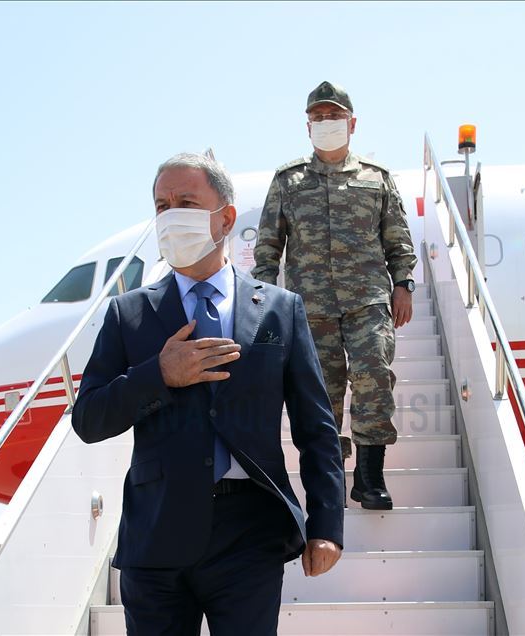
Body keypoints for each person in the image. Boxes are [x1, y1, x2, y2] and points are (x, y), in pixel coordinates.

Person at [71, 153, 344, 636]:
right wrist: (158, 374)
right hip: (157, 533)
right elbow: (89, 419)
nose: (170, 215)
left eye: (186, 203)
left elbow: (316, 427)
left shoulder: (280, 310)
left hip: (250, 531)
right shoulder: (127, 314)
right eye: (162, 206)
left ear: (227, 217)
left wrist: (326, 524)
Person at [251, 80, 418, 510]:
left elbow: (398, 239)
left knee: (373, 377)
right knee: (320, 393)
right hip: (310, 306)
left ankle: (369, 478)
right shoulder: (288, 181)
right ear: (308, 126)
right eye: (318, 117)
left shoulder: (377, 179)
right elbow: (268, 246)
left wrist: (404, 285)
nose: (326, 122)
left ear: (352, 123)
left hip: (368, 301)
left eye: (334, 116)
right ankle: (329, 481)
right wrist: (265, 301)